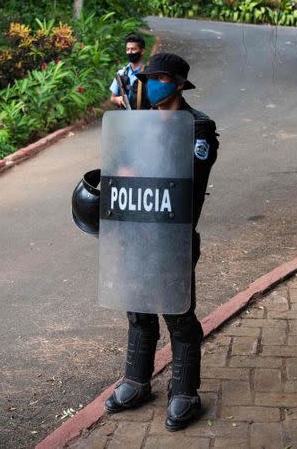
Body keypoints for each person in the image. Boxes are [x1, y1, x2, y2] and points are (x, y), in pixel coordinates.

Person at [103, 53, 218, 431]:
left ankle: (185, 392)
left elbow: (185, 175)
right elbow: (118, 168)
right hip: (135, 232)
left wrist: (139, 168)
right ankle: (137, 381)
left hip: (174, 237)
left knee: (178, 314)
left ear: (180, 83)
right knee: (137, 309)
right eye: (148, 78)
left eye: (161, 78)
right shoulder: (137, 125)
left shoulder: (198, 127)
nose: (153, 84)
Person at [109, 34, 149, 110]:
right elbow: (112, 98)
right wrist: (118, 99)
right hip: (124, 118)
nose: (130, 52)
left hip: (143, 118)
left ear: (142, 51)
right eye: (127, 49)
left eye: (133, 49)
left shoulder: (148, 74)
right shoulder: (121, 73)